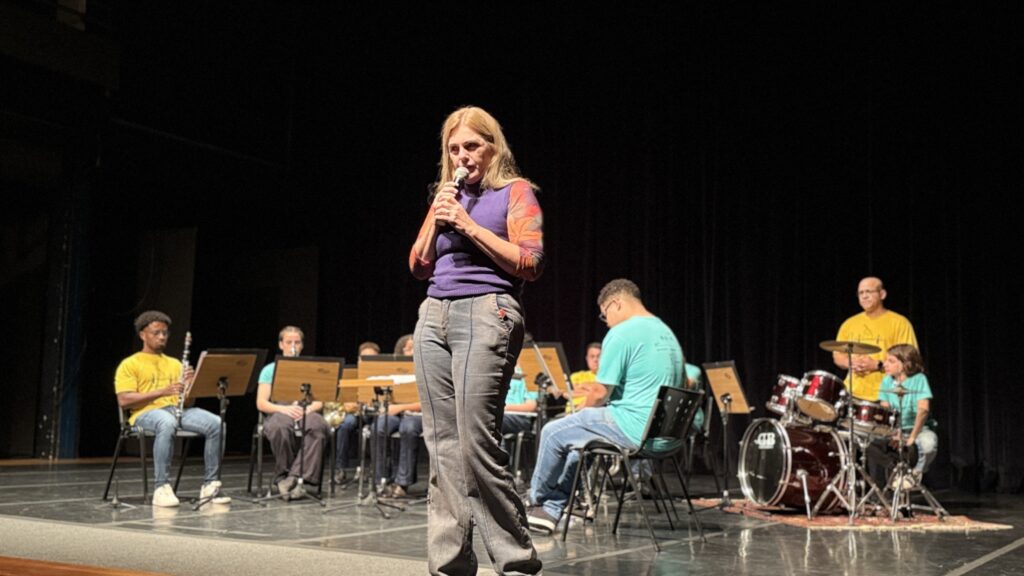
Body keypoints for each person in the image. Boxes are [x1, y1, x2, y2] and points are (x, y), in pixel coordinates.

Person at [409, 105, 544, 575]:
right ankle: (450, 564)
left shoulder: (515, 192)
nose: (462, 156)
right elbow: (418, 265)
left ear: (492, 147)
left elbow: (530, 262)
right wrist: (438, 213)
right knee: (442, 445)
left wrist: (468, 226)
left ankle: (516, 561)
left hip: (488, 310)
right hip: (434, 314)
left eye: (472, 146)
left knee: (474, 444)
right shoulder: (445, 197)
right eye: (454, 149)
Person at [527, 279, 685, 535]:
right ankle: (551, 510)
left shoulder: (622, 333)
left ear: (616, 303)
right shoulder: (666, 332)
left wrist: (579, 413)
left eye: (605, 314)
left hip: (633, 429)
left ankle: (536, 502)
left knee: (553, 432)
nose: (606, 322)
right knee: (580, 446)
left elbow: (600, 393)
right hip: (666, 437)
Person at [114, 310, 229, 507]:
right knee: (166, 422)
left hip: (176, 411)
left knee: (217, 423)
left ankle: (211, 486)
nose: (162, 337)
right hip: (144, 413)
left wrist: (191, 385)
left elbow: (188, 403)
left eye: (164, 333)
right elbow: (124, 400)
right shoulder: (130, 364)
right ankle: (161, 488)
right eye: (156, 333)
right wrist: (162, 392)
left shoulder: (175, 364)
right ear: (142, 335)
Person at [255, 326, 330, 500]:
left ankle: (292, 479)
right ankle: (285, 475)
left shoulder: (311, 369)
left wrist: (308, 409)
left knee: (318, 426)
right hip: (279, 409)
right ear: (281, 345)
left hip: (305, 409)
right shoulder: (269, 370)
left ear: (302, 345)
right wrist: (284, 409)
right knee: (279, 427)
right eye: (289, 342)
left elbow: (319, 401)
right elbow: (261, 403)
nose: (293, 346)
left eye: (297, 342)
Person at [865, 344, 937, 491]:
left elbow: (923, 410)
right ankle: (895, 469)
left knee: (929, 444)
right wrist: (892, 433)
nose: (885, 364)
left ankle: (914, 474)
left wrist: (912, 437)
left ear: (905, 364)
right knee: (867, 442)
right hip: (896, 430)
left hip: (918, 429)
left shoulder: (919, 379)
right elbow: (885, 411)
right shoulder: (886, 381)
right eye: (885, 360)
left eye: (891, 361)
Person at [833, 277, 918, 401]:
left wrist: (877, 365)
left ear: (882, 294)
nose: (864, 296)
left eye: (868, 291)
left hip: (888, 395)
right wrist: (851, 363)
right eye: (861, 293)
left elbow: (911, 361)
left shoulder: (900, 323)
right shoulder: (849, 324)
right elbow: (838, 356)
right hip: (853, 394)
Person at [371, 334, 422, 498]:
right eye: (408, 348)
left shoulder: (425, 368)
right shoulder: (393, 370)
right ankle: (381, 480)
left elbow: (428, 402)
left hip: (417, 413)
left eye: (415, 348)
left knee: (408, 427)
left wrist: (401, 407)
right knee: (379, 426)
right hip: (396, 412)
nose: (412, 352)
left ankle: (402, 482)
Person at [333, 340, 381, 484]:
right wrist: (347, 404)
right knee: (345, 424)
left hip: (374, 414)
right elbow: (341, 398)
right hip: (355, 413)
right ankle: (340, 468)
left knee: (377, 427)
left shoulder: (382, 375)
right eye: (364, 358)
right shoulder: (351, 375)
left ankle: (373, 468)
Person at [568, 342, 604, 410]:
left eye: (598, 356)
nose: (595, 360)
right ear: (587, 359)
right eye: (592, 356)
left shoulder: (606, 378)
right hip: (571, 412)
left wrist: (581, 386)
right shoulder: (576, 376)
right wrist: (593, 391)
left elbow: (602, 395)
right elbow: (567, 393)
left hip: (594, 412)